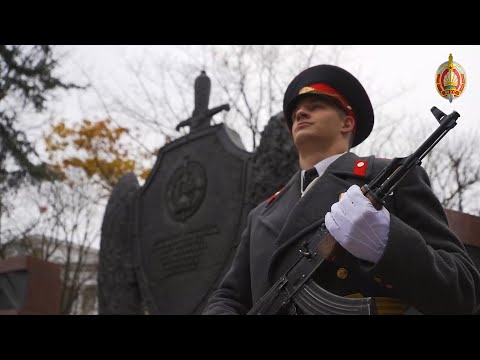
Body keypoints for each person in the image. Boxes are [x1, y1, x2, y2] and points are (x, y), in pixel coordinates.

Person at [202, 64, 480, 315]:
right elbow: (228, 297)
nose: (300, 112)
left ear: (347, 122)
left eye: (316, 105)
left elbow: (463, 288)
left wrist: (390, 243)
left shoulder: (391, 177)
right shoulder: (261, 214)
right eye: (296, 111)